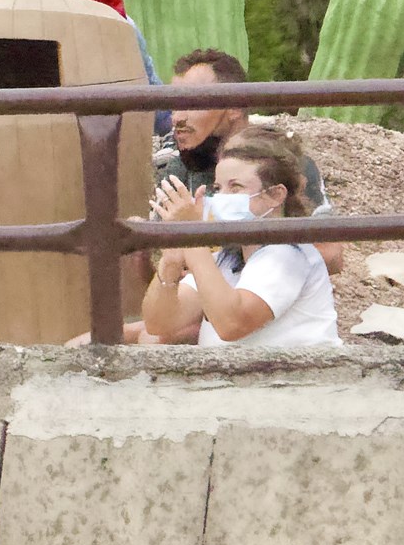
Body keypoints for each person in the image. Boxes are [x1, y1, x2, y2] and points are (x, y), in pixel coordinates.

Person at [140, 127, 341, 348]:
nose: (221, 197)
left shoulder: (288, 253)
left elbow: (232, 324)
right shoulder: (228, 258)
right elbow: (160, 324)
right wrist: (171, 260)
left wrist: (192, 237)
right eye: (218, 188)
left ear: (275, 195)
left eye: (235, 187)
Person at [152, 49, 341, 276]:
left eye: (192, 103)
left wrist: (217, 259)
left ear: (234, 107)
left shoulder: (284, 164)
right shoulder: (176, 169)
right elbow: (162, 262)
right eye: (174, 106)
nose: (177, 118)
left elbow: (330, 256)